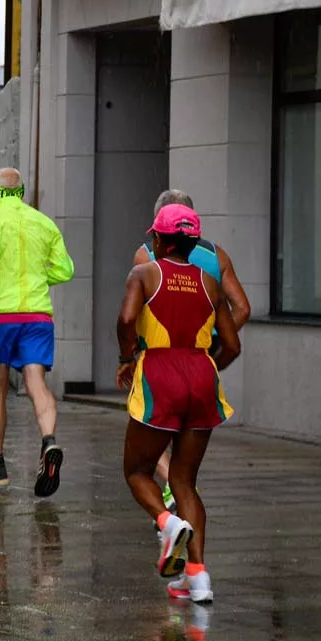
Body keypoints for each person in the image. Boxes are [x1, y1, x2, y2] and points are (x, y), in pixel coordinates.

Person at [117, 203, 240, 603]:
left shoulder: (144, 273)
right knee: (185, 480)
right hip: (202, 377)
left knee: (137, 470)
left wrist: (127, 357)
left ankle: (167, 523)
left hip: (159, 374)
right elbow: (233, 345)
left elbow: (125, 320)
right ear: (191, 242)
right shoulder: (210, 282)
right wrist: (205, 370)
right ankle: (197, 576)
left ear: (157, 239)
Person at [132, 189, 251, 512]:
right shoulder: (217, 255)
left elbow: (136, 314)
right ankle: (183, 499)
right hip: (201, 359)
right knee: (187, 432)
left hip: (159, 357)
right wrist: (213, 343)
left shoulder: (145, 256)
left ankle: (172, 488)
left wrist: (128, 356)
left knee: (149, 437)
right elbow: (242, 307)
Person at [0, 168, 74, 495]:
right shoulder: (44, 223)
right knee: (36, 381)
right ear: (23, 193)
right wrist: (37, 280)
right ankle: (48, 440)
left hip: (0, 314)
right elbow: (65, 269)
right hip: (37, 314)